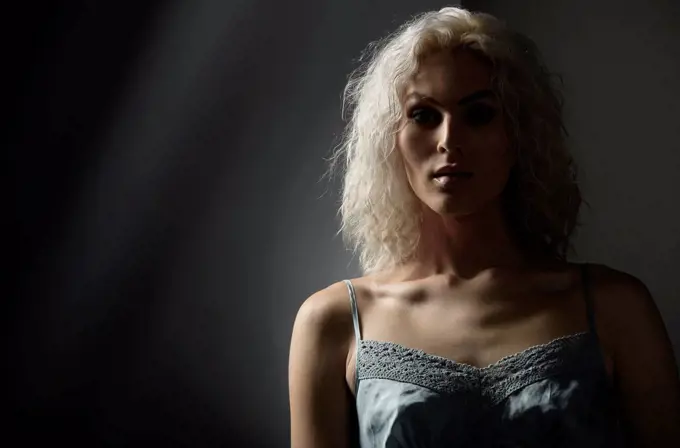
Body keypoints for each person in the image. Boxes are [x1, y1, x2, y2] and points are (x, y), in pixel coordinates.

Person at [288, 6, 680, 448]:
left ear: (517, 135)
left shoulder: (614, 307)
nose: (449, 140)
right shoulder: (335, 320)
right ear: (390, 138)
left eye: (479, 114)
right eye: (423, 115)